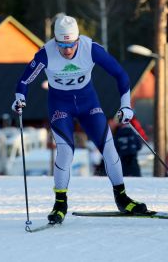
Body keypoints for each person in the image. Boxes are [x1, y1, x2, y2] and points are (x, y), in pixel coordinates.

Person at [11, 15, 147, 224]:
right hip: (59, 104)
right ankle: (60, 204)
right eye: (62, 45)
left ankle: (122, 198)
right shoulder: (45, 53)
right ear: (55, 41)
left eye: (71, 44)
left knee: (109, 147)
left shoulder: (90, 48)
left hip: (88, 103)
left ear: (78, 39)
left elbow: (121, 75)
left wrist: (126, 105)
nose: (67, 50)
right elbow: (24, 81)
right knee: (65, 150)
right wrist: (20, 98)